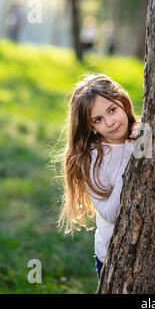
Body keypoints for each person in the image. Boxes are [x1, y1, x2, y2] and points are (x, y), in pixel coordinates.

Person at [57, 74, 140, 280]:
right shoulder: (92, 159)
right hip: (113, 255)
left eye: (112, 110)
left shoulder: (142, 132)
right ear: (91, 127)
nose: (110, 122)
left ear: (123, 104)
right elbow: (110, 214)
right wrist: (129, 155)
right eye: (98, 119)